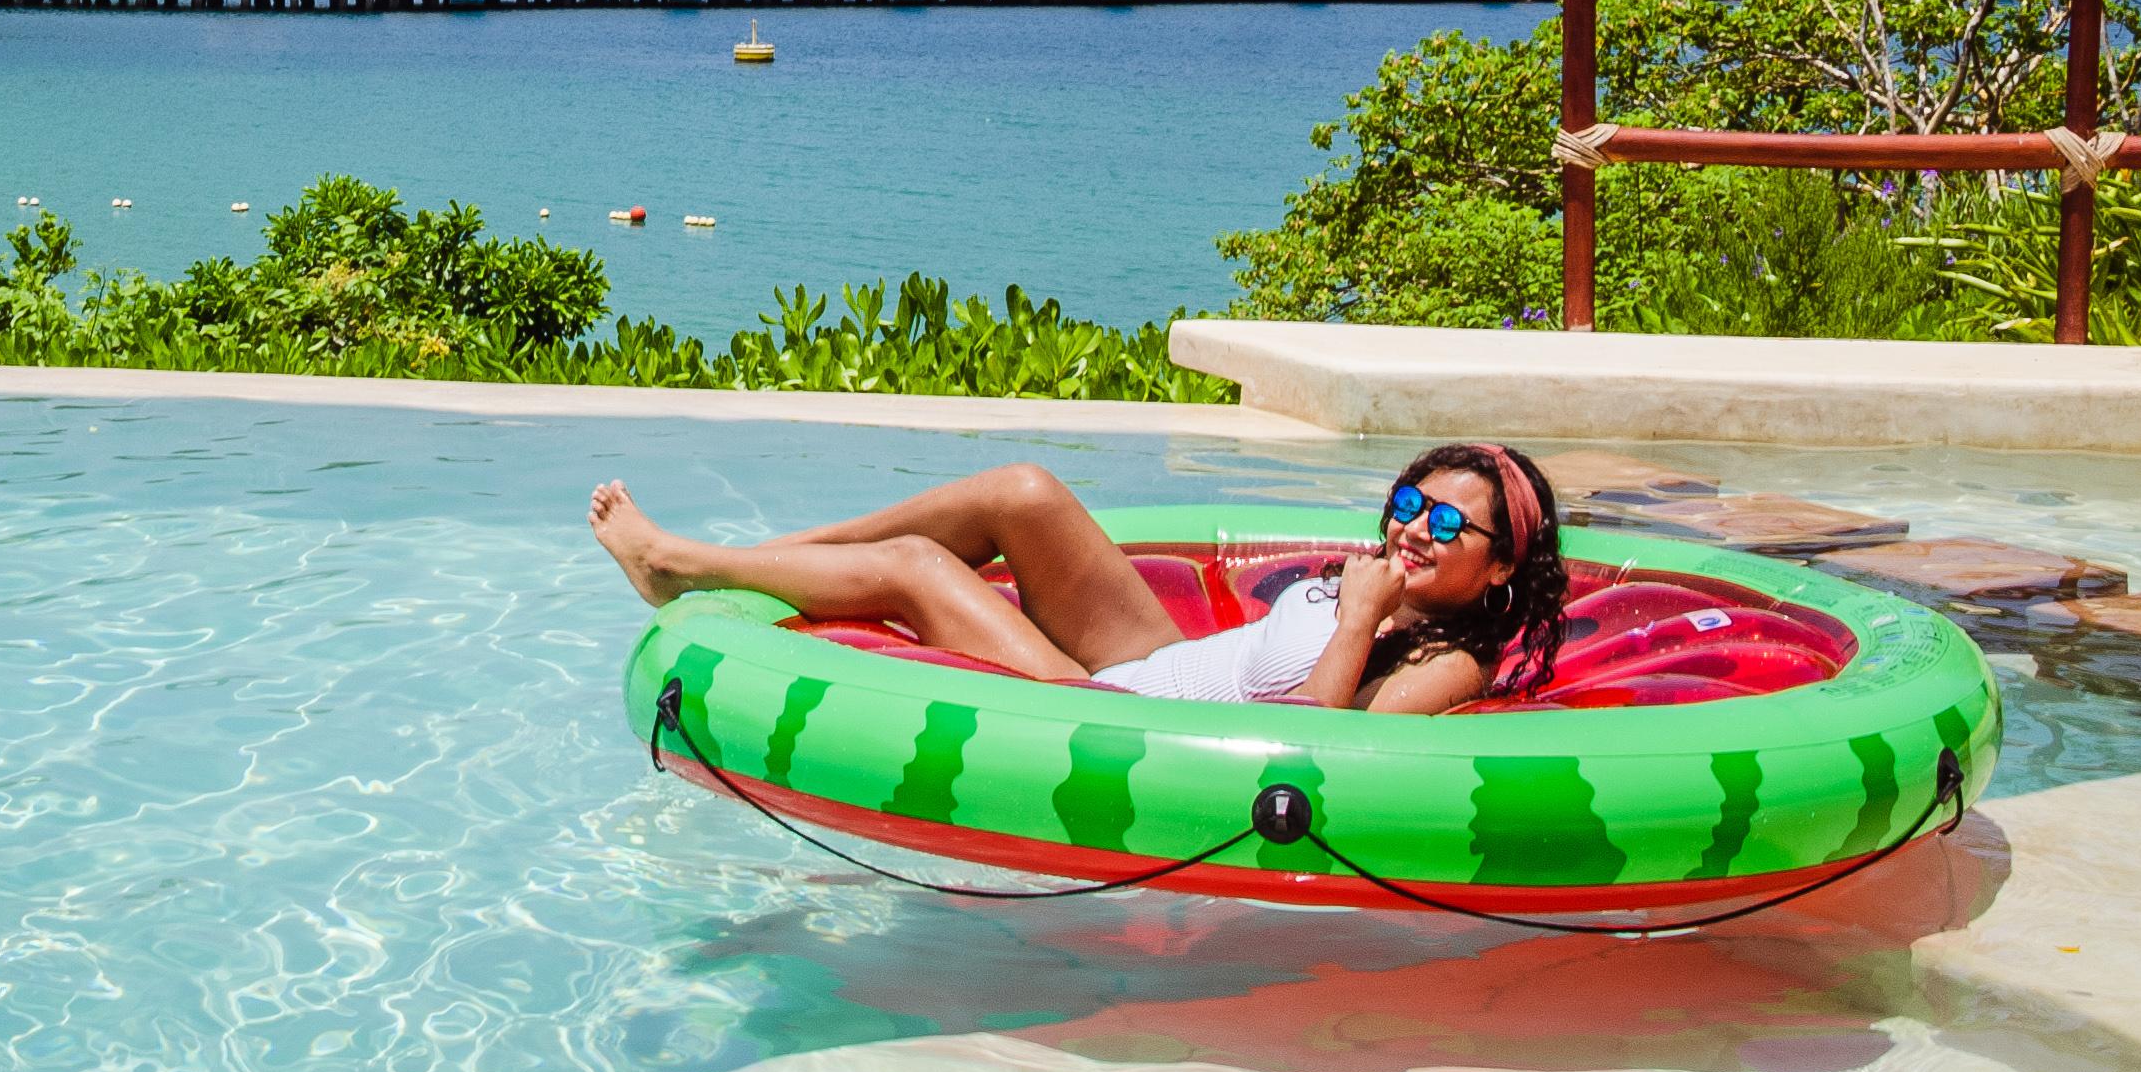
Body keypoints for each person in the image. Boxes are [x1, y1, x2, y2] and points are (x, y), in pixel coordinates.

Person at [589, 443, 1567, 714]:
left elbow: (1313, 754)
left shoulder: (1448, 663)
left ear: (1501, 563)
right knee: (1022, 490)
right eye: (1407, 501)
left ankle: (677, 564)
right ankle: (769, 556)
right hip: (1158, 662)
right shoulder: (1383, 587)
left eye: (1446, 522)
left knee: (919, 570)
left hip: (1110, 716)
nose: (1410, 527)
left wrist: (1357, 616)